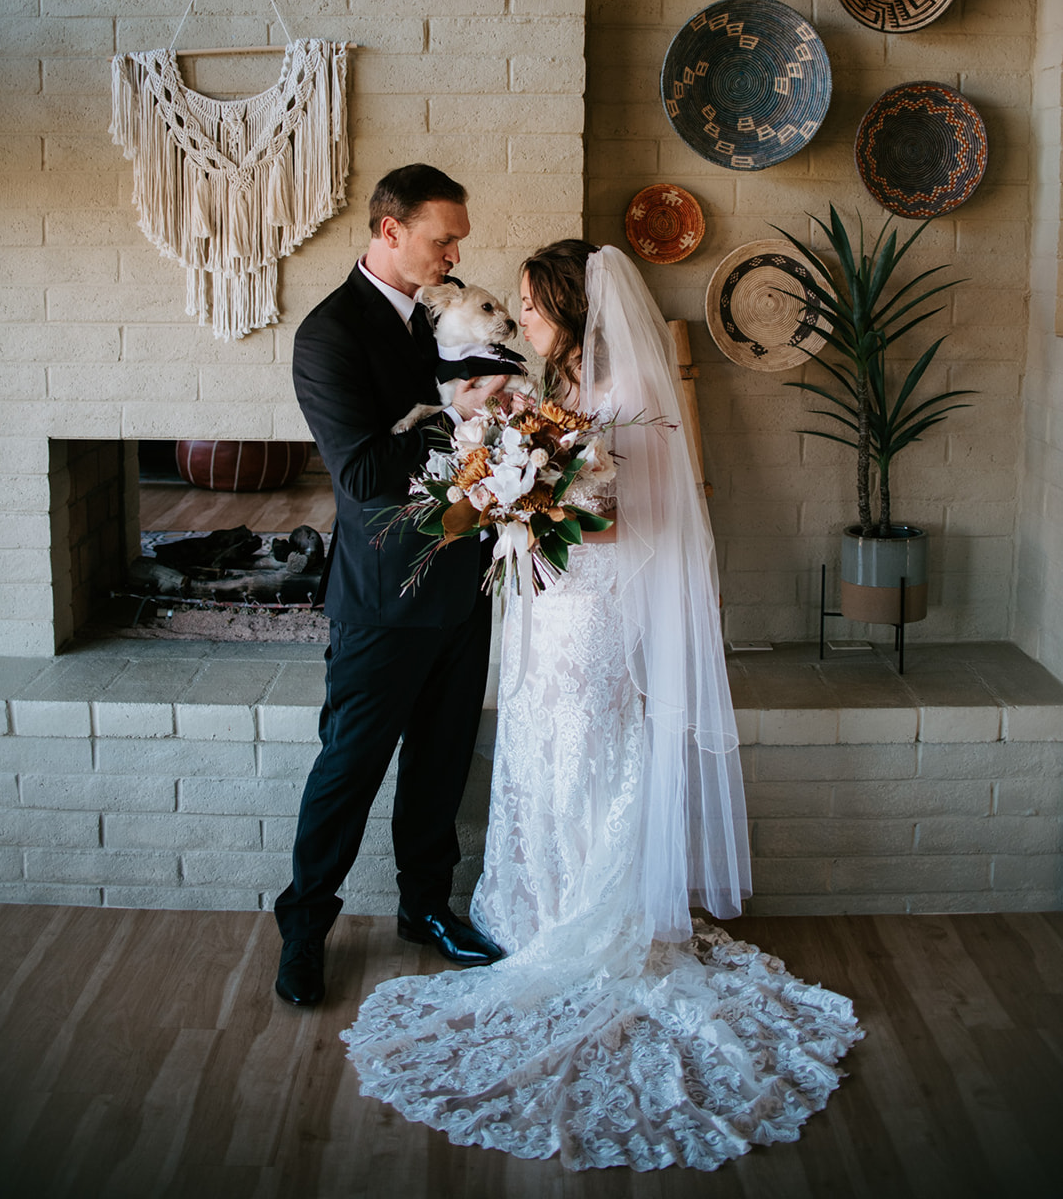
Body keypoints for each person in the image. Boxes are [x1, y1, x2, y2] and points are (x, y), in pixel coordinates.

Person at [342, 241, 862, 1173]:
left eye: (536, 308)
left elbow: (625, 516)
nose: (524, 321)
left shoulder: (626, 395)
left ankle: (595, 913)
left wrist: (530, 498)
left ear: (574, 311)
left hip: (592, 611)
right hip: (555, 604)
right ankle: (541, 905)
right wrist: (513, 484)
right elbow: (555, 484)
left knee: (588, 747)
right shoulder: (565, 390)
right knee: (546, 745)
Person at [273, 164, 508, 1007]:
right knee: (349, 770)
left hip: (464, 585)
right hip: (382, 599)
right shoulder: (329, 336)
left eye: (458, 241)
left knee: (441, 765)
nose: (455, 252)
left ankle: (425, 909)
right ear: (390, 231)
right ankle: (303, 932)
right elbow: (369, 473)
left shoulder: (447, 315)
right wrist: (465, 417)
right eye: (443, 238)